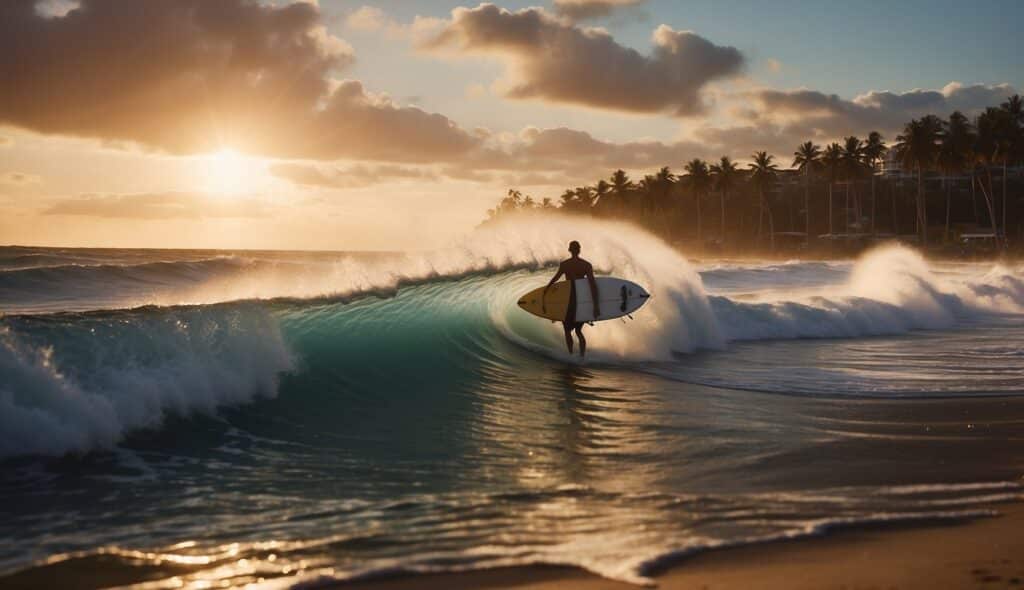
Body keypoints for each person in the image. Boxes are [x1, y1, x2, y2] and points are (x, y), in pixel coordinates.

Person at [543, 240, 599, 357]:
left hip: (569, 301)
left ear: (569, 250)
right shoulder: (586, 265)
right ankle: (582, 357)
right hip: (581, 301)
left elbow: (556, 279)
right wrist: (595, 305)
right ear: (579, 250)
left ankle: (570, 355)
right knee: (578, 331)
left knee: (567, 331)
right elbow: (592, 285)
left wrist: (547, 289)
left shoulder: (565, 265)